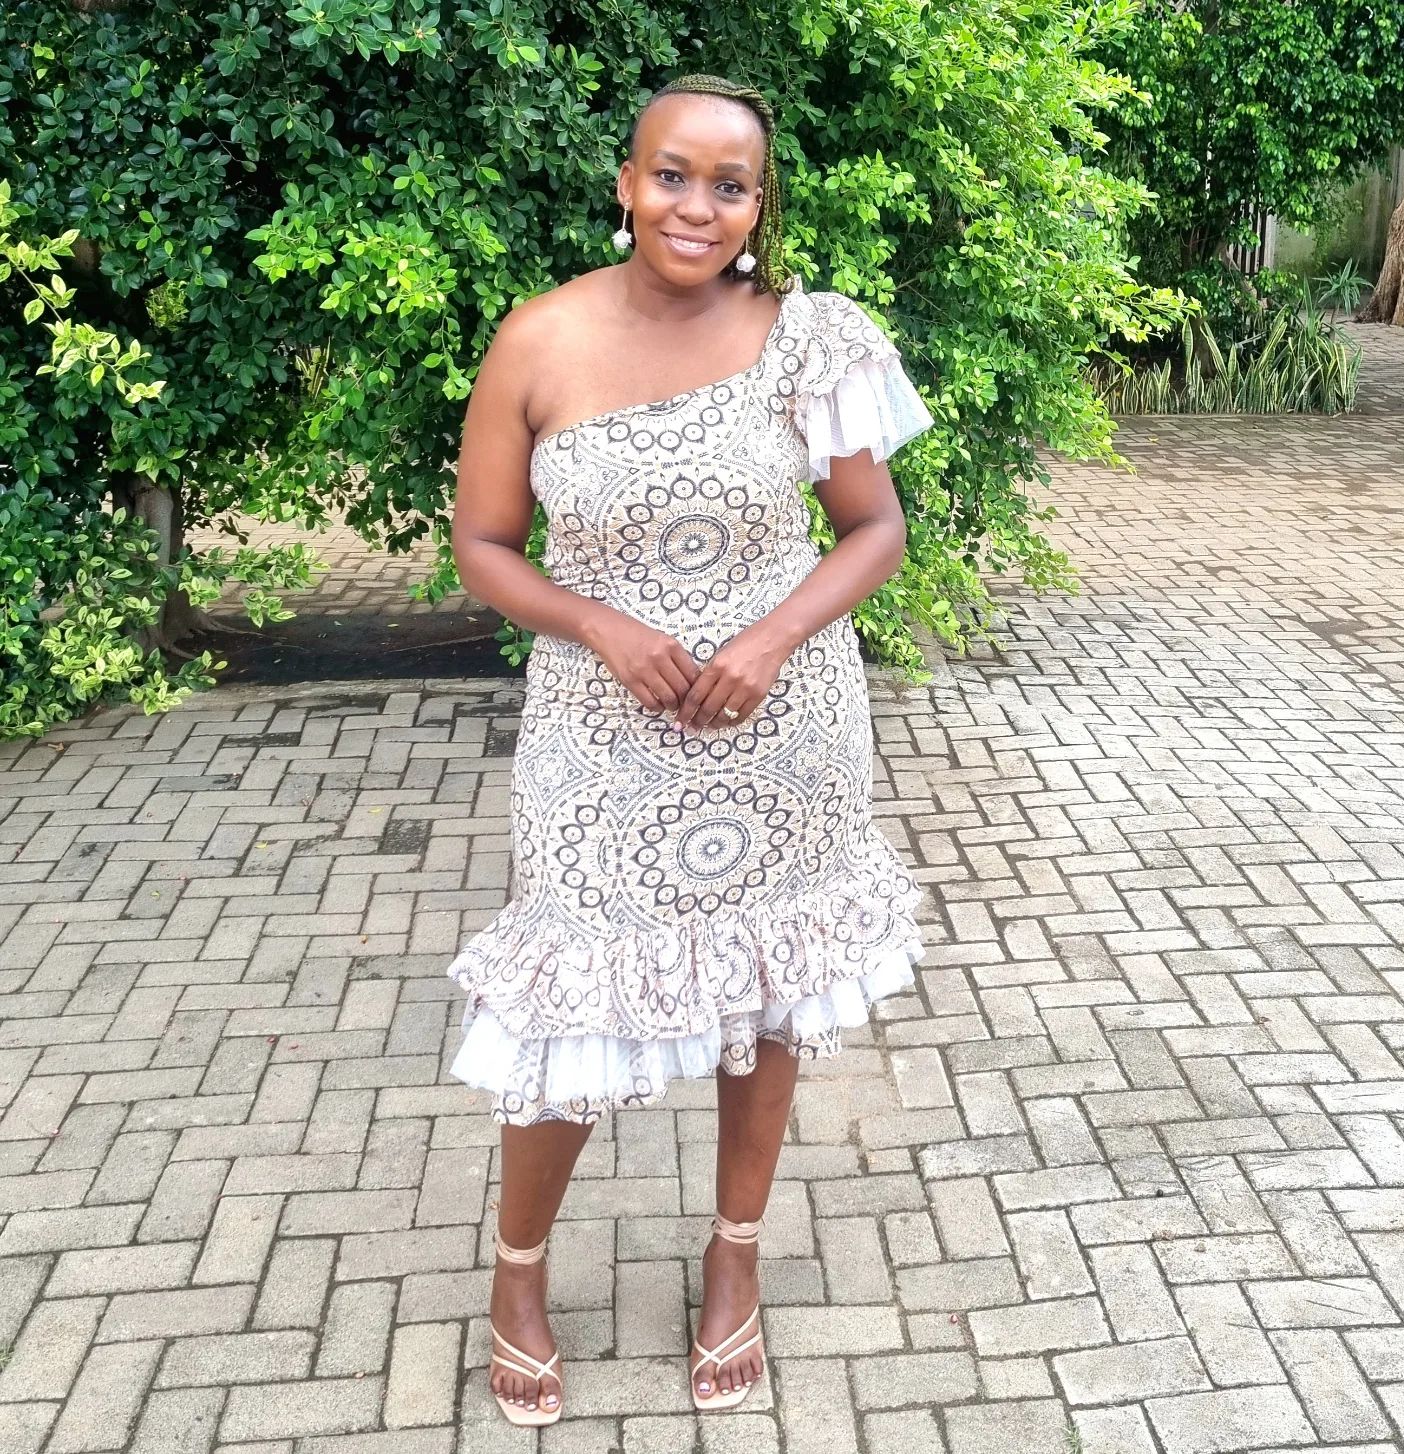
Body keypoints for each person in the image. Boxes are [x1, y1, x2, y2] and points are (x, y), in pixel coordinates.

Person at [445, 73, 933, 1427]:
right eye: (672, 174)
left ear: (759, 205)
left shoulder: (810, 340)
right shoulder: (538, 339)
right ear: (626, 181)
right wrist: (599, 622)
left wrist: (771, 639)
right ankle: (518, 1274)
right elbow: (483, 543)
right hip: (600, 732)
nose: (697, 207)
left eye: (730, 185)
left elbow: (875, 529)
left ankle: (734, 1262)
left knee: (767, 994)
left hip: (785, 730)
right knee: (571, 992)